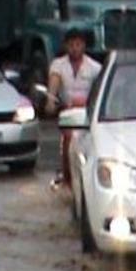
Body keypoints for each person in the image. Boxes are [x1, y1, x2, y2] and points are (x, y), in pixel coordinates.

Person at [46, 28, 102, 185]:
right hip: (68, 113)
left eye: (78, 44)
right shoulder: (58, 65)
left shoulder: (94, 67)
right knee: (67, 140)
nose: (75, 48)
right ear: (65, 46)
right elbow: (54, 82)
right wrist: (50, 100)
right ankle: (67, 175)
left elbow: (99, 90)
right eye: (71, 45)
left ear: (83, 46)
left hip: (88, 112)